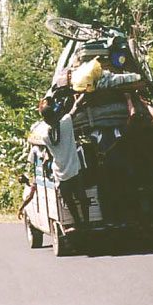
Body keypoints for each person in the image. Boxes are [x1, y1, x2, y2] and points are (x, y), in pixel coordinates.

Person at [38, 93, 89, 231]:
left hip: (60, 173)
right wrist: (83, 94)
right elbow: (76, 108)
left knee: (69, 201)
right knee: (82, 198)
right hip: (74, 170)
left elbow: (48, 151)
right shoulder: (66, 122)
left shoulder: (44, 136)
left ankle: (77, 222)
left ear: (45, 120)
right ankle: (86, 222)